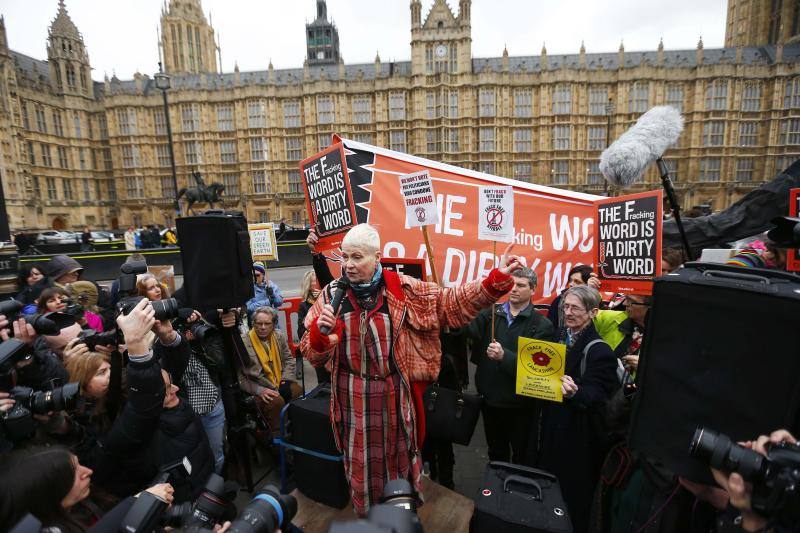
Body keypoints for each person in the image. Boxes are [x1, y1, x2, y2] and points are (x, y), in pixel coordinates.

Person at [300, 223, 520, 517]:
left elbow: (451, 303)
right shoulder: (330, 296)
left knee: (399, 464)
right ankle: (368, 520)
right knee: (361, 467)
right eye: (345, 258)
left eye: (357, 257)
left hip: (395, 398)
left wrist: (496, 280)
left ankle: (401, 518)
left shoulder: (403, 290)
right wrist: (320, 335)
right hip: (352, 400)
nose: (349, 266)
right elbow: (310, 353)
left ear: (377, 256)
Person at [531, 285, 619, 533]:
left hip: (576, 438)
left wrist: (576, 392)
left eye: (575, 308)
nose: (568, 312)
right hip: (550, 428)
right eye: (565, 306)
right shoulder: (559, 336)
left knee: (572, 496)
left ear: (593, 313)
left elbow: (599, 395)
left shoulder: (599, 350)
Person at [468, 267, 555, 465]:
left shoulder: (541, 325)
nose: (514, 289)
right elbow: (464, 328)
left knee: (521, 456)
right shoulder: (490, 313)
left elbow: (539, 370)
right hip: (490, 402)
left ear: (533, 290)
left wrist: (504, 357)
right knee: (496, 453)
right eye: (512, 284)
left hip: (521, 406)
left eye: (521, 285)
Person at [0, 446, 175, 532]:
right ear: (47, 493)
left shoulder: (85, 505)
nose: (88, 472)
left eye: (78, 464)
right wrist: (139, 503)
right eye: (73, 473)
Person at [237, 306, 301, 437]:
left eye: (267, 324)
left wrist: (285, 380)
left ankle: (297, 430)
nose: (263, 327)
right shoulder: (243, 342)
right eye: (259, 323)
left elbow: (289, 360)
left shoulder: (279, 336)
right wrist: (259, 391)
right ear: (253, 323)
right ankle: (279, 440)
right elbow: (240, 378)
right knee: (276, 403)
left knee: (297, 391)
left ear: (274, 324)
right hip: (260, 387)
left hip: (280, 380)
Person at [547, 264, 600, 330]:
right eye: (570, 280)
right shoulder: (558, 301)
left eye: (577, 282)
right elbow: (550, 328)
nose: (571, 284)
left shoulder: (596, 302)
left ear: (587, 285)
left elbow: (600, 322)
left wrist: (591, 294)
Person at [297, 269, 324, 383]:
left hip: (329, 341)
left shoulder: (327, 297)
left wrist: (322, 297)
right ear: (309, 285)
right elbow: (300, 332)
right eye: (314, 282)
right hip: (316, 344)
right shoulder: (304, 305)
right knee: (322, 378)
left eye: (317, 281)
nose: (316, 284)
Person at [36, 286, 104, 332]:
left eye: (61, 298)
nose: (58, 302)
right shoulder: (43, 323)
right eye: (51, 301)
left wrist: (84, 324)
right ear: (45, 306)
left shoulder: (92, 317)